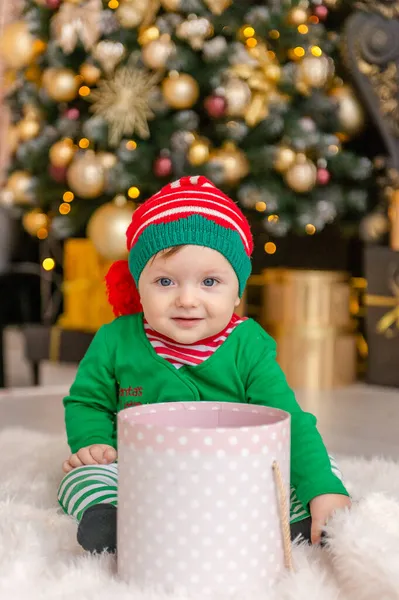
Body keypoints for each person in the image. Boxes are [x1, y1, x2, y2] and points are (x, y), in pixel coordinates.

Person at [58, 175, 351, 553]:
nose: (187, 299)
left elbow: (287, 420)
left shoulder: (247, 345)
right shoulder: (116, 339)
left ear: (237, 292)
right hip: (142, 472)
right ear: (138, 284)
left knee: (318, 464)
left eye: (210, 282)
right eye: (165, 282)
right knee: (78, 477)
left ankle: (298, 518)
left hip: (233, 472)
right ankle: (114, 521)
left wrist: (322, 488)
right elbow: (88, 402)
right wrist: (94, 444)